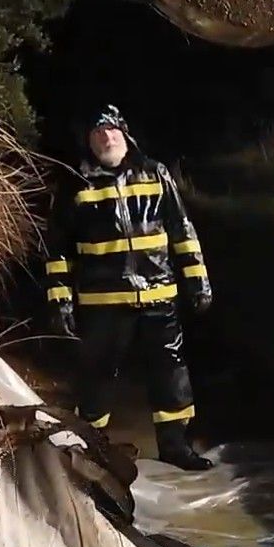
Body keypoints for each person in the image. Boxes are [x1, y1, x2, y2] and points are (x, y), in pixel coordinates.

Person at [45, 106, 215, 472]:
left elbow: (181, 230)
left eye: (112, 130)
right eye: (97, 132)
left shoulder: (155, 173)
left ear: (125, 134)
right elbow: (57, 248)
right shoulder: (76, 183)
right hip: (102, 300)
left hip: (159, 295)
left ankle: (175, 447)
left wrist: (197, 279)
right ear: (87, 141)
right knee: (97, 376)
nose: (106, 137)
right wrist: (60, 301)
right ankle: (91, 451)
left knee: (170, 372)